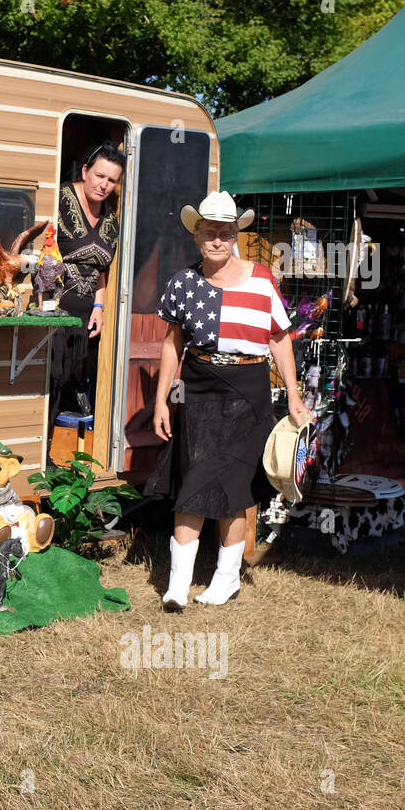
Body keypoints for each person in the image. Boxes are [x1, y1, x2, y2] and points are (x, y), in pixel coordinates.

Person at [145, 191, 311, 609]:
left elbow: (279, 338)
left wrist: (293, 395)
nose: (217, 240)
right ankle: (177, 586)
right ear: (196, 236)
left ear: (235, 235)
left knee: (235, 488)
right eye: (209, 233)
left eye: (225, 233)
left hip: (249, 391)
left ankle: (226, 580)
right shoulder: (183, 282)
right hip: (199, 387)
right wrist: (161, 400)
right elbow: (171, 344)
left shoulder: (261, 278)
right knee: (193, 479)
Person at [53, 141, 125, 415]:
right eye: (99, 176)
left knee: (71, 383)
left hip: (84, 320)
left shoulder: (110, 219)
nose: (104, 185)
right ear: (85, 171)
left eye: (111, 180)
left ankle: (58, 449)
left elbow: (101, 270)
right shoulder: (58, 199)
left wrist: (99, 306)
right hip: (53, 314)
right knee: (49, 381)